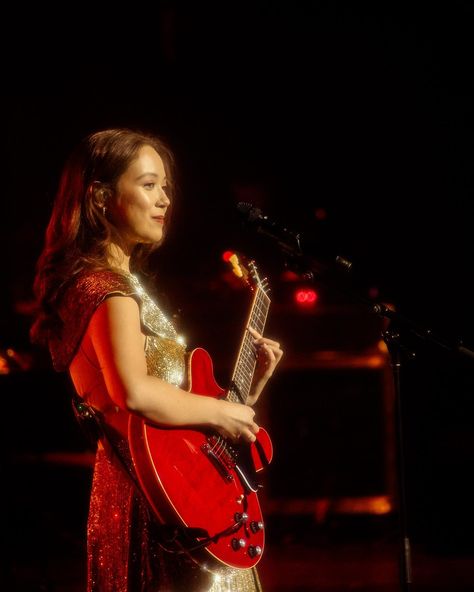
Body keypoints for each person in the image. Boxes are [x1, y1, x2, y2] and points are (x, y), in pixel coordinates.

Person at [30, 127, 283, 592]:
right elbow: (135, 392)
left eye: (165, 186)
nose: (164, 199)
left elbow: (174, 409)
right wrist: (225, 410)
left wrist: (247, 393)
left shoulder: (107, 284)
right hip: (160, 506)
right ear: (101, 197)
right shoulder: (108, 290)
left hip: (160, 489)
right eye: (148, 185)